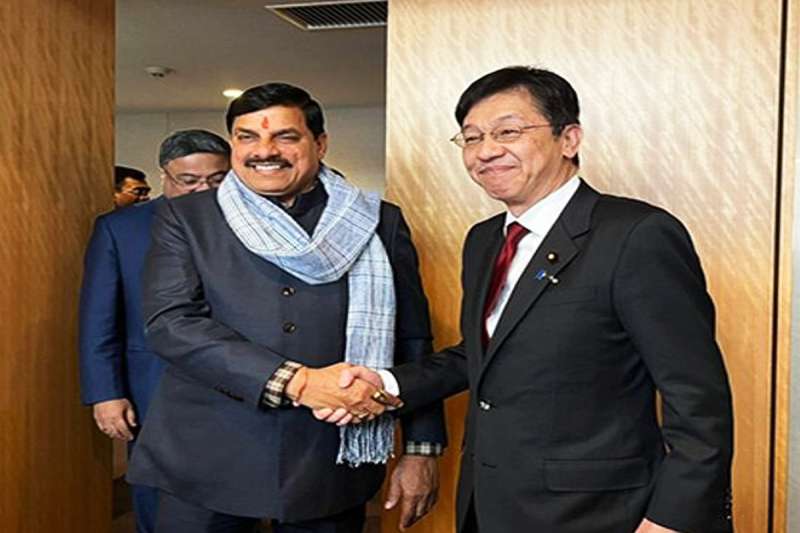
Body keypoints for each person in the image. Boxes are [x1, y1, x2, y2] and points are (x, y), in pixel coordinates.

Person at [323, 67, 734, 533]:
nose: (485, 151)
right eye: (472, 138)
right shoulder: (484, 240)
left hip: (598, 513)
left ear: (569, 139)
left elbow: (697, 397)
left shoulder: (636, 234)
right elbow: (483, 354)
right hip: (489, 504)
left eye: (508, 132)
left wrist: (673, 518)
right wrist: (385, 382)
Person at [126, 82, 446, 533]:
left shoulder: (377, 220)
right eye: (248, 137)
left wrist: (420, 448)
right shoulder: (188, 217)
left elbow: (411, 337)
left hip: (328, 457)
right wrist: (297, 382)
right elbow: (171, 323)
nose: (265, 151)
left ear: (320, 143)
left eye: (285, 136)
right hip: (205, 452)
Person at [79, 129, 232, 533]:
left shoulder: (251, 222)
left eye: (217, 179)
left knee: (232, 499)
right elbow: (99, 316)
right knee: (158, 498)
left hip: (236, 384)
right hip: (153, 383)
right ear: (164, 175)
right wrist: (106, 392)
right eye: (189, 180)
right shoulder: (120, 228)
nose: (204, 191)